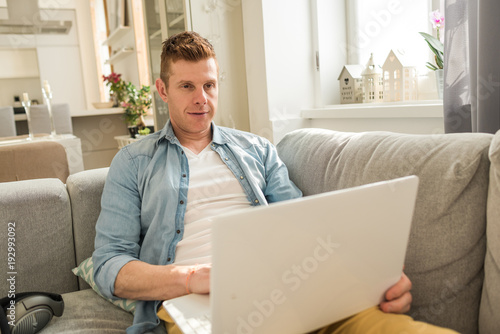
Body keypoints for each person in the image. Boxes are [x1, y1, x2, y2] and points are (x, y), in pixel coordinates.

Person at [93, 31, 457, 334]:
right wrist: (192, 277)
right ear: (162, 88)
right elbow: (109, 265)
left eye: (209, 85)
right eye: (187, 86)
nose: (201, 98)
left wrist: (371, 277)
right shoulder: (132, 162)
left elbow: (303, 228)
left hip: (288, 285)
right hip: (195, 305)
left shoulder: (257, 148)